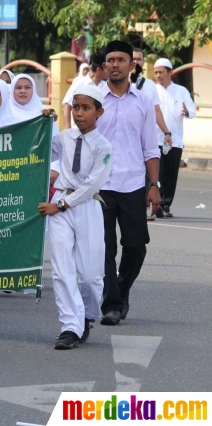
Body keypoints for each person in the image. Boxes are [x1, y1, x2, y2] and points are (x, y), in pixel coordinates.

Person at [38, 85, 112, 349]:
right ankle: (70, 326)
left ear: (99, 112)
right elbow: (41, 151)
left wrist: (61, 203)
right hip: (59, 206)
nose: (79, 113)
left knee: (91, 276)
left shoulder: (104, 147)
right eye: (76, 107)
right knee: (62, 271)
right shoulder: (65, 137)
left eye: (86, 108)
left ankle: (87, 316)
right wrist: (43, 123)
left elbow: (92, 185)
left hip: (85, 206)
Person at [98, 40, 160, 325]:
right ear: (104, 65)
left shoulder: (143, 102)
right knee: (105, 248)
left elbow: (150, 148)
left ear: (131, 65)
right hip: (99, 188)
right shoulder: (93, 98)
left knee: (136, 246)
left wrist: (155, 185)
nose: (115, 64)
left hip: (134, 184)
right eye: (110, 60)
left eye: (120, 60)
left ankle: (121, 293)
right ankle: (111, 304)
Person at [153, 58, 196, 219]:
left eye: (161, 72)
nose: (158, 75)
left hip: (175, 139)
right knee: (157, 173)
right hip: (155, 139)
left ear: (169, 72)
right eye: (156, 72)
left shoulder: (181, 91)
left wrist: (187, 112)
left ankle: (165, 205)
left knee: (170, 175)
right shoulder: (152, 90)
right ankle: (155, 204)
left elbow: (192, 110)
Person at [132, 49, 173, 204]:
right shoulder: (120, 82)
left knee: (150, 173)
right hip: (127, 138)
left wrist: (166, 132)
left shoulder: (150, 86)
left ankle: (146, 204)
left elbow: (156, 110)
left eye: (140, 59)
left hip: (147, 137)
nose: (136, 62)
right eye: (134, 58)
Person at [62, 52, 107, 129]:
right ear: (99, 69)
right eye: (106, 68)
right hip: (77, 132)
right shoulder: (80, 83)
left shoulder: (105, 86)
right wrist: (68, 132)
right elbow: (67, 106)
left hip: (97, 133)